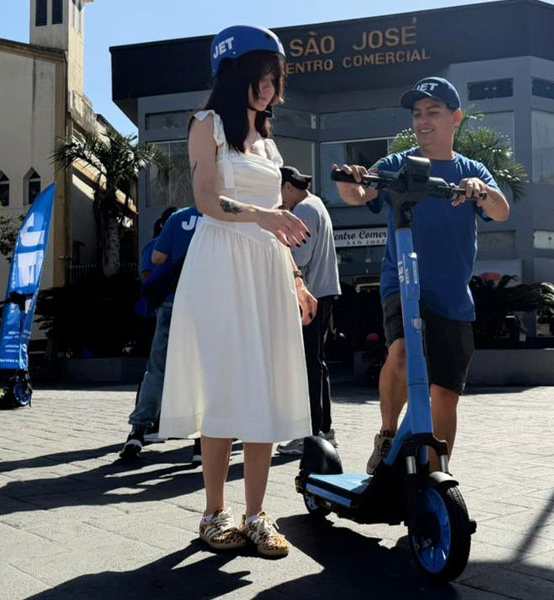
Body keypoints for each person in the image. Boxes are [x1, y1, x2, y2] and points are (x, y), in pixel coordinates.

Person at [158, 25, 316, 559]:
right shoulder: (206, 126)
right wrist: (264, 217)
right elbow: (206, 200)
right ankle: (213, 513)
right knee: (224, 387)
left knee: (265, 390)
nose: (270, 87)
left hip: (266, 268)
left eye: (276, 77)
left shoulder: (268, 142)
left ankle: (255, 515)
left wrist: (296, 279)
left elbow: (275, 225)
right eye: (261, 75)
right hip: (221, 263)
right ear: (233, 73)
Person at [335, 76, 510, 475]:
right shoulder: (398, 165)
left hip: (452, 296)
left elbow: (501, 210)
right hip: (403, 283)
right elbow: (359, 194)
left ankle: (435, 475)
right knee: (400, 352)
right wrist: (351, 182)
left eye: (433, 112)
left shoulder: (472, 170)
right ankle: (386, 435)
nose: (423, 120)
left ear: (455, 119)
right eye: (417, 114)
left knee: (445, 395)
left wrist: (480, 190)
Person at [120, 205, 202, 460]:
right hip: (207, 302)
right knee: (204, 373)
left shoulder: (179, 218)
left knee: (157, 369)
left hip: (172, 299)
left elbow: (157, 258)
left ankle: (137, 432)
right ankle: (203, 442)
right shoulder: (221, 215)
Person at [276, 166, 341, 456]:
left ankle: (310, 434)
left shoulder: (303, 210)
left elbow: (299, 256)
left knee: (309, 365)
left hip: (311, 295)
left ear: (288, 186)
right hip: (324, 292)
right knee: (317, 362)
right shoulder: (317, 205)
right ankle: (323, 429)